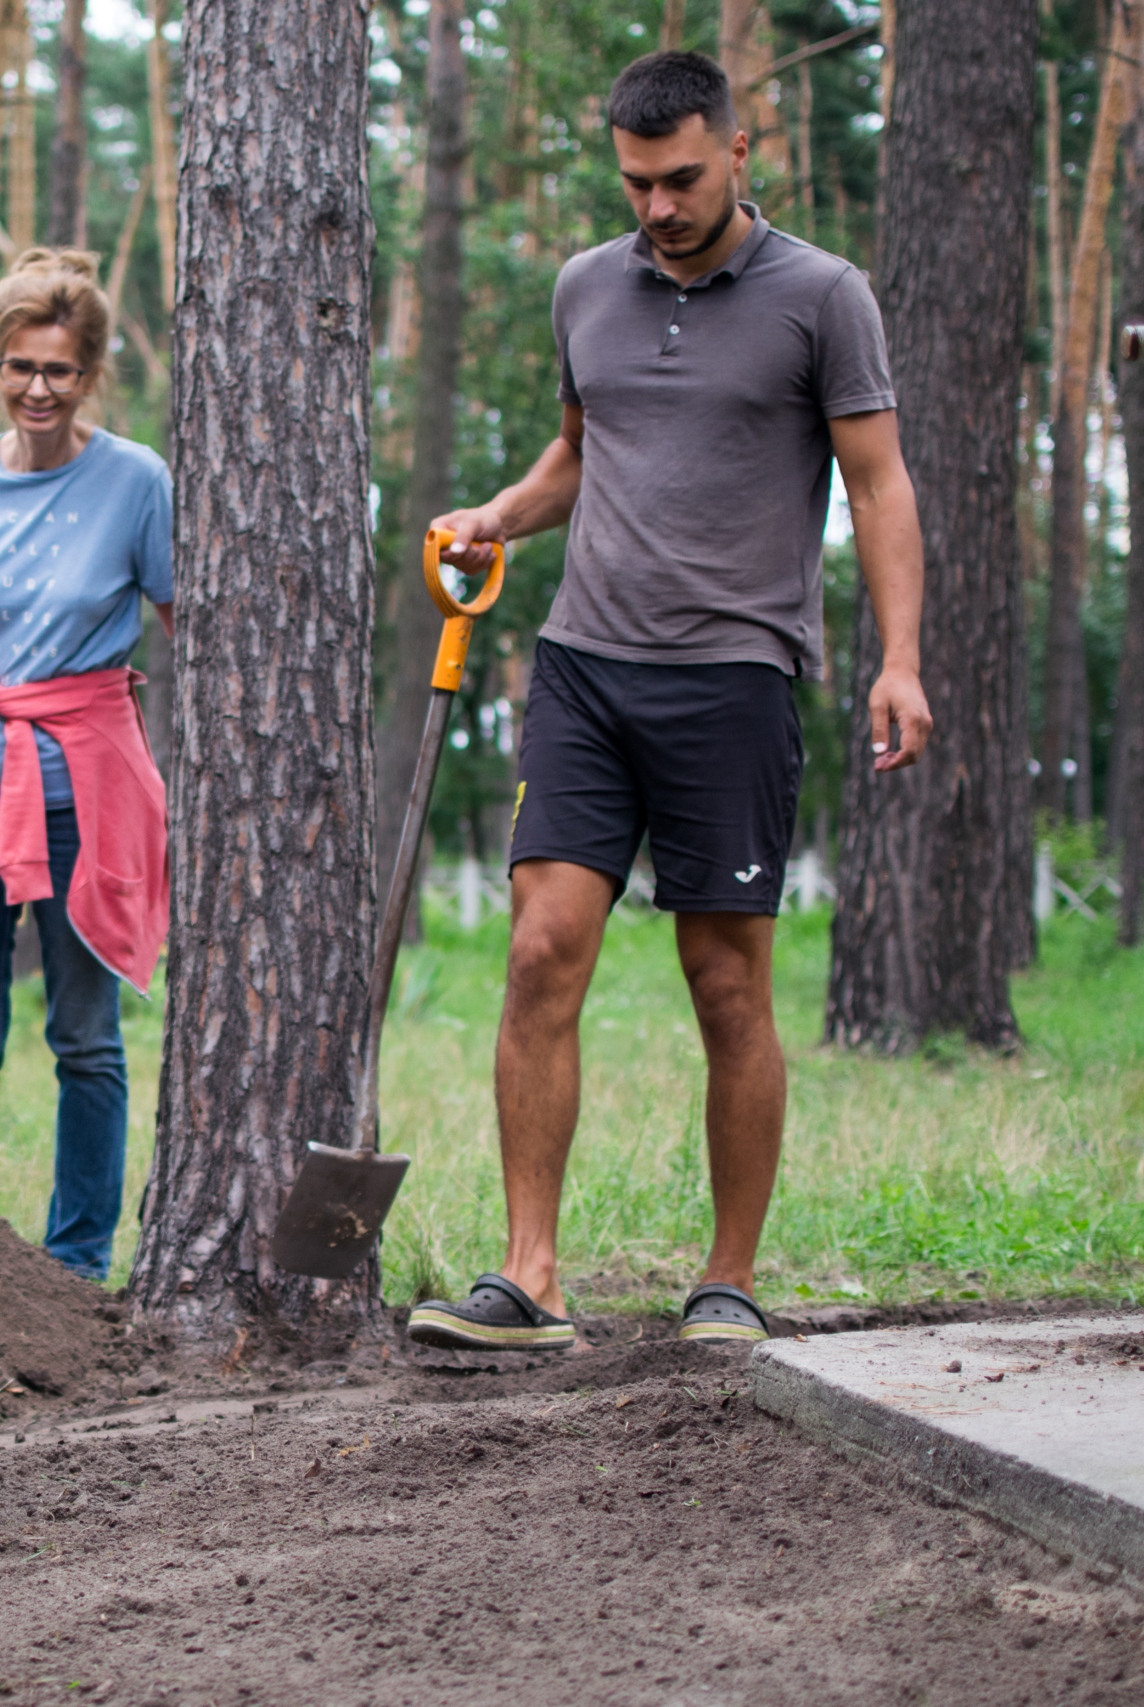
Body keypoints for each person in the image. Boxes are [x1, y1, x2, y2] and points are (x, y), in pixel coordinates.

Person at [406, 51, 931, 1351]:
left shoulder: (822, 295)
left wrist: (898, 655)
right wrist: (498, 514)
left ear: (739, 153)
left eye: (683, 177)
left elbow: (876, 483)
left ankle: (727, 1279)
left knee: (725, 981)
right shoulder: (588, 285)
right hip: (586, 661)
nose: (658, 204)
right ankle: (530, 1275)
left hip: (737, 672)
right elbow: (583, 451)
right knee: (538, 951)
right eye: (637, 181)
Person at [0, 247, 174, 1283]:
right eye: (19, 366)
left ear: (90, 372)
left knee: (84, 1036)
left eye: (59, 370)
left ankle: (73, 1270)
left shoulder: (135, 480)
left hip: (84, 791)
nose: (37, 389)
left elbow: (173, 614)